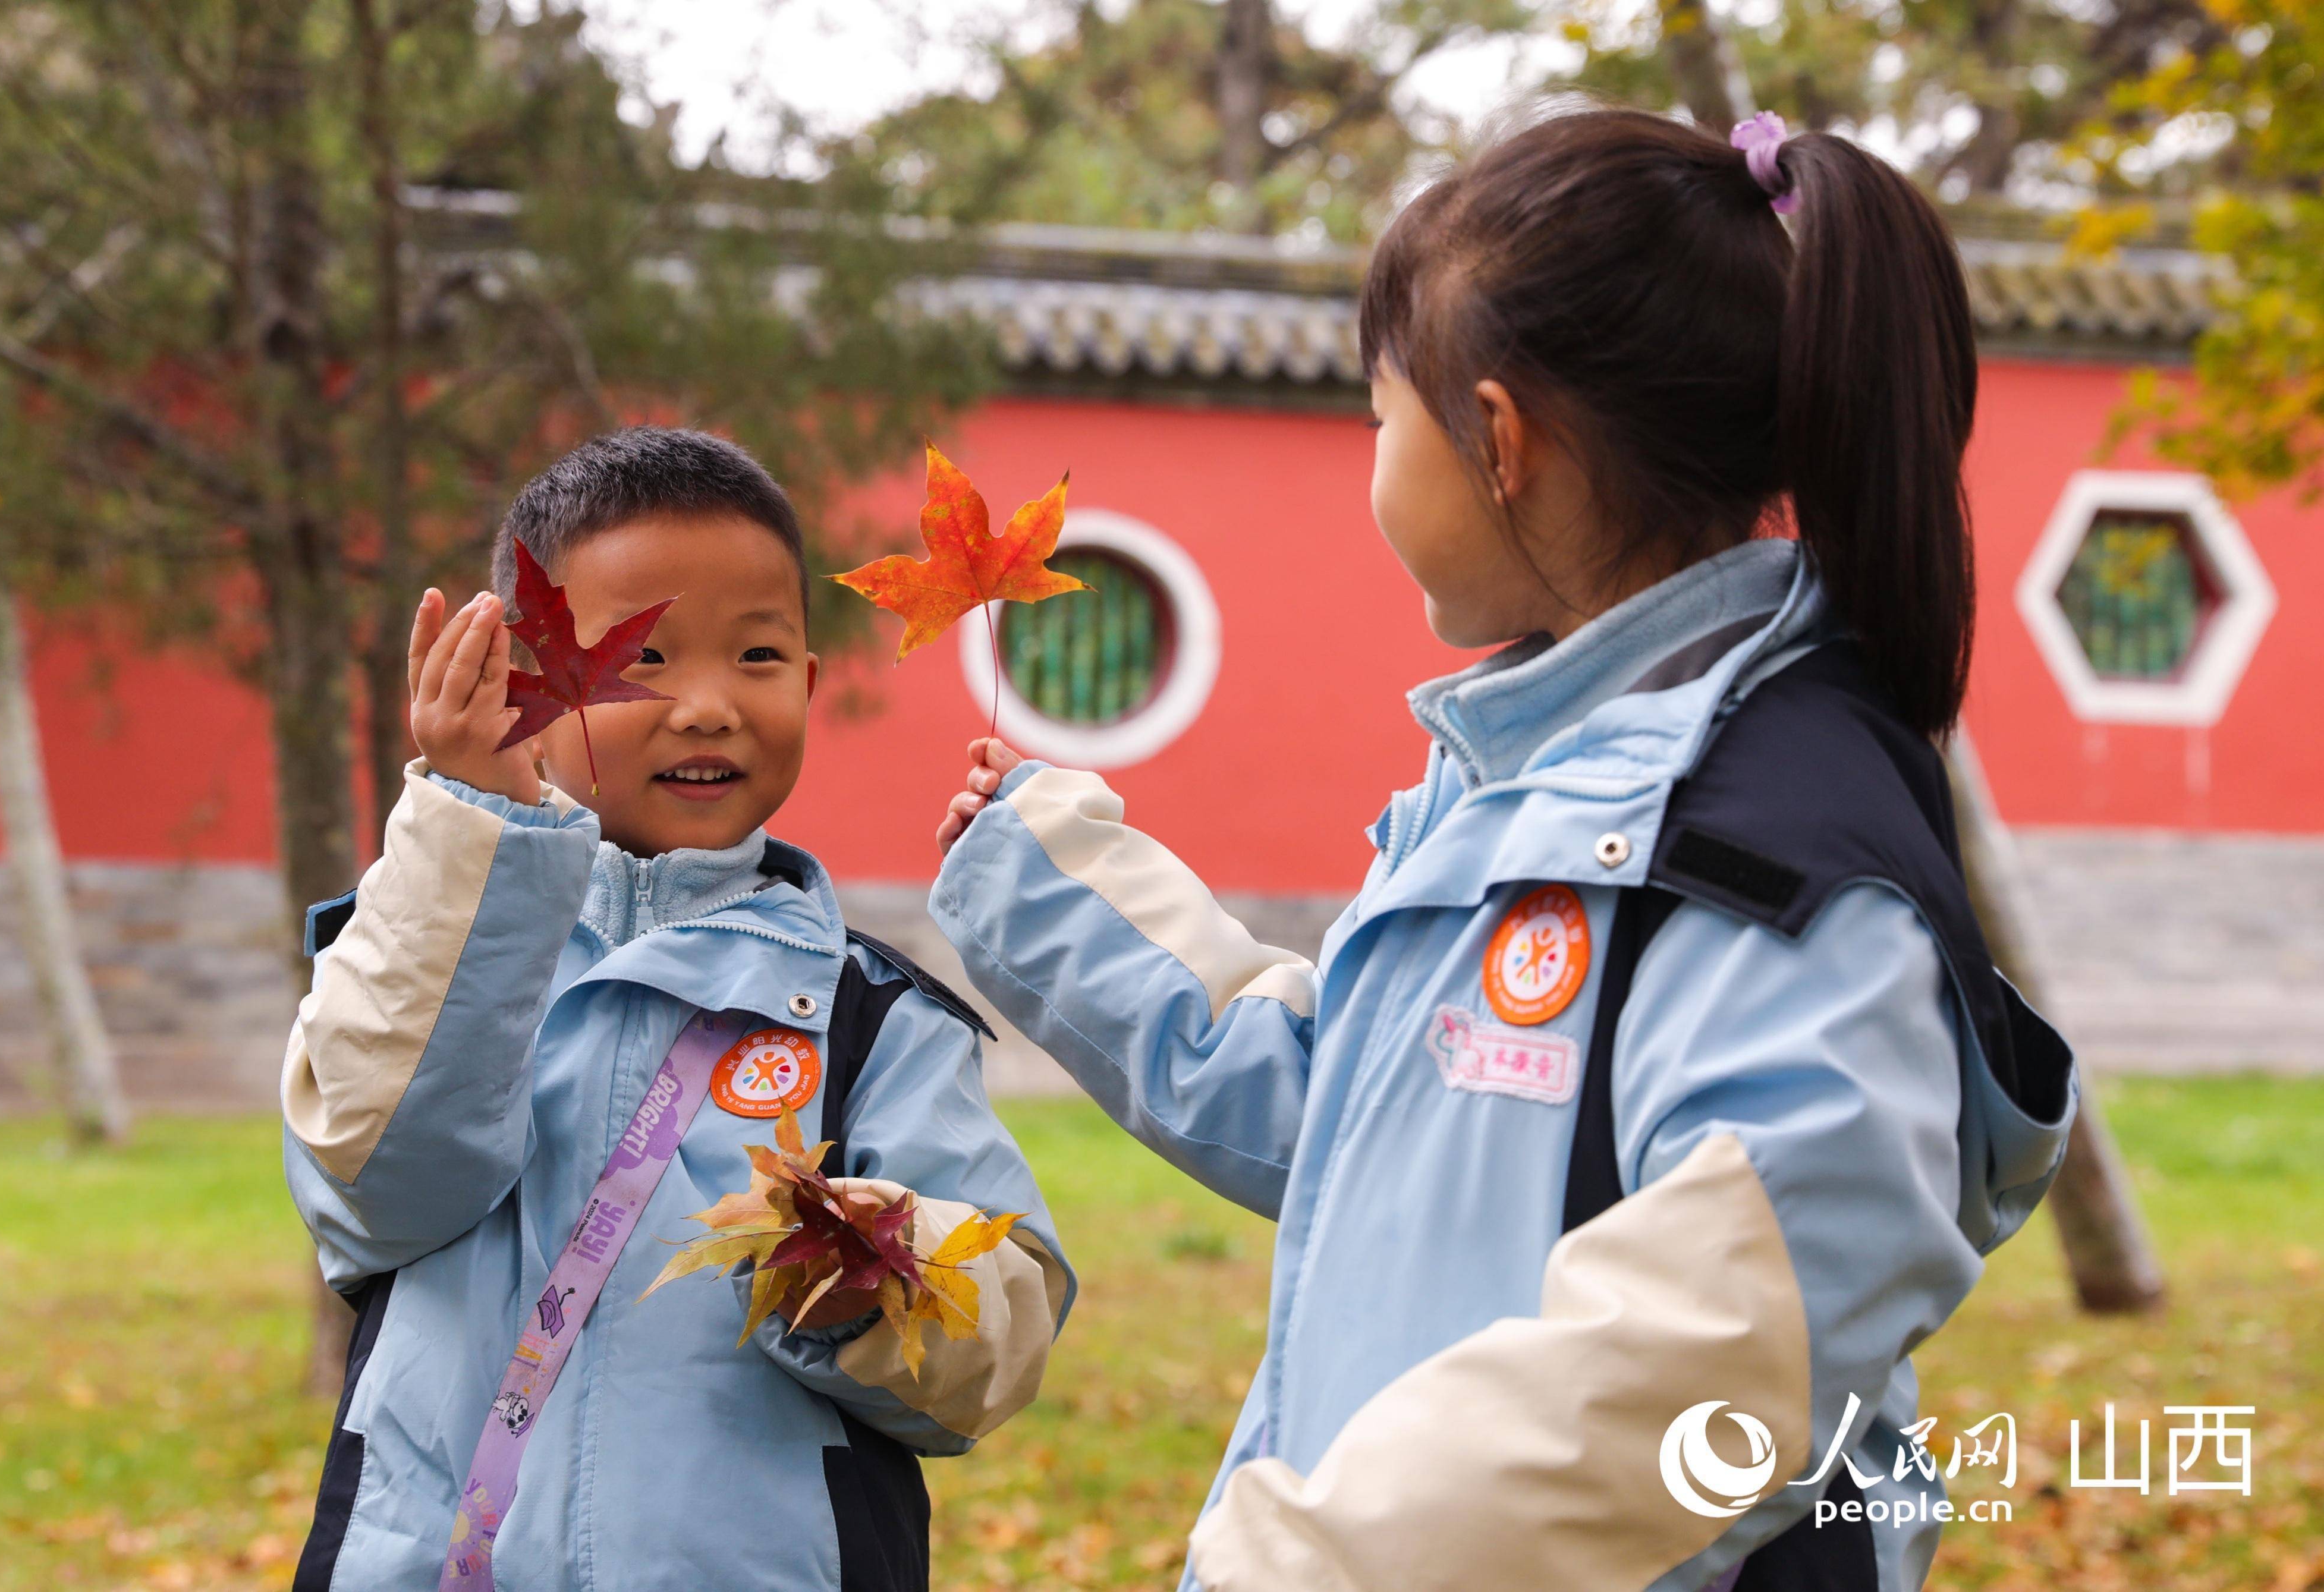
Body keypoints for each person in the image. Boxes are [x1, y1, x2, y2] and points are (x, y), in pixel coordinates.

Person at [929, 107, 2075, 1592]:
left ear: (1498, 438)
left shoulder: (1764, 854)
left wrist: (1301, 1567)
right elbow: (1360, 1115)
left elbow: (1715, 1357)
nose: (1373, 464)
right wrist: (1043, 883)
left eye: (1378, 421)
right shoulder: (1538, 773)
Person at [284, 426, 1072, 1592]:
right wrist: (473, 844)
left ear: (809, 683)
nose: (708, 706)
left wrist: (877, 1274)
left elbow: (998, 1338)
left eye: (757, 656)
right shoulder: (424, 942)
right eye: (642, 658)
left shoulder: (871, 1019)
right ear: (523, 686)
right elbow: (377, 1190)